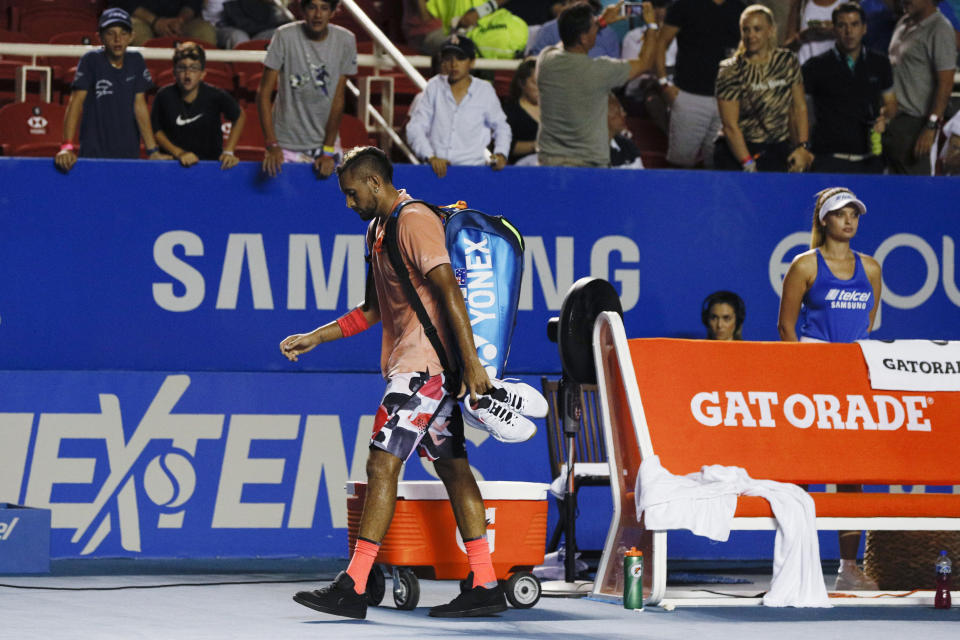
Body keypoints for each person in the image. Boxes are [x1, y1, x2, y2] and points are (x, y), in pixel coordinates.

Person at [280, 146, 539, 619]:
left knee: (381, 465)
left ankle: (354, 585)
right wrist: (316, 337)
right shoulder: (376, 233)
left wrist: (474, 365)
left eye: (351, 193)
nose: (348, 203)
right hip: (423, 371)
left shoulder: (413, 220)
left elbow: (450, 291)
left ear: (375, 184)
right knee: (455, 470)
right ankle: (483, 582)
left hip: (423, 372)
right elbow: (372, 310)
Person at [777, 186, 883, 592]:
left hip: (854, 377)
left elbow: (866, 325)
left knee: (850, 473)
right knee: (803, 473)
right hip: (811, 377)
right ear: (824, 220)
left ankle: (847, 568)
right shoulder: (805, 266)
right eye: (841, 214)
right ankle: (795, 562)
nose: (849, 220)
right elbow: (786, 327)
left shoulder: (871, 268)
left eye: (854, 213)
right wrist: (804, 373)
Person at [536, 1, 654, 167]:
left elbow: (566, 43)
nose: (597, 30)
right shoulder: (600, 71)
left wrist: (601, 22)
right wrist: (651, 24)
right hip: (589, 167)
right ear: (584, 38)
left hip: (549, 164)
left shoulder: (546, 60)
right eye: (594, 27)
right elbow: (646, 62)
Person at [55, 7, 166, 173]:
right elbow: (75, 103)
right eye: (110, 33)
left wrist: (153, 151)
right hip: (94, 154)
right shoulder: (90, 60)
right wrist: (67, 146)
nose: (117, 39)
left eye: (123, 33)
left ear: (131, 37)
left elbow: (140, 106)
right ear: (99, 37)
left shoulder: (136, 61)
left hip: (128, 154)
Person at [257, 0, 357, 179]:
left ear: (333, 12)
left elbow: (338, 99)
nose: (318, 14)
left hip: (326, 144)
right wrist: (271, 144)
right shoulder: (284, 36)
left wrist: (327, 151)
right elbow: (263, 95)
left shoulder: (346, 40)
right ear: (302, 10)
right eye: (312, 7)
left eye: (324, 8)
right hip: (285, 144)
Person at [714, 4, 814, 172]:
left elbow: (799, 107)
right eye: (746, 30)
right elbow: (730, 125)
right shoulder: (730, 69)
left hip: (777, 149)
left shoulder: (787, 61)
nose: (751, 35)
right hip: (739, 150)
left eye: (757, 29)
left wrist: (802, 147)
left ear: (770, 30)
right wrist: (747, 163)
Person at [802, 2, 896, 174]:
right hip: (828, 161)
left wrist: (885, 118)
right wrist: (803, 146)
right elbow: (800, 111)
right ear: (834, 29)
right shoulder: (815, 66)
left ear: (864, 28)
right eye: (842, 25)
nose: (849, 31)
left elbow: (891, 103)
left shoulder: (880, 63)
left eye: (854, 24)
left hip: (870, 161)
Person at [406, 34, 512, 177]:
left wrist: (501, 153)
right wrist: (430, 157)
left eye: (460, 58)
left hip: (473, 171)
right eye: (448, 59)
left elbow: (501, 127)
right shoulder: (434, 86)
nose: (454, 64)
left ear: (472, 62)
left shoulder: (484, 90)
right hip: (436, 171)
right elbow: (415, 127)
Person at [655, 0, 745, 168]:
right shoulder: (684, 5)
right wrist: (663, 83)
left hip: (728, 99)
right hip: (689, 96)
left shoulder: (740, 8)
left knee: (720, 165)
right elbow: (661, 43)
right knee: (680, 164)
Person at [883, 0, 956, 175]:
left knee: (916, 188)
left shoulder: (940, 29)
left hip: (916, 125)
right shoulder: (903, 22)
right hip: (892, 122)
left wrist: (931, 127)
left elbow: (945, 84)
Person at [151, 42, 245, 169]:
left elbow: (239, 116)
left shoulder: (215, 95)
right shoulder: (164, 95)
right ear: (174, 72)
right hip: (174, 165)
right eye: (182, 68)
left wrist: (228, 151)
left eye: (193, 68)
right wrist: (179, 153)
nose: (188, 75)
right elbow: (156, 130)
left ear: (202, 74)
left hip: (210, 166)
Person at [528, 0, 622, 57]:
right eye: (573, 1)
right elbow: (536, 67)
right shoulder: (548, 30)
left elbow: (616, 79)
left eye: (580, 2)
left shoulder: (608, 34)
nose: (576, 6)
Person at [203, 0, 294, 49]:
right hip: (219, 27)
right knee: (238, 37)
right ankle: (242, 77)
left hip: (254, 29)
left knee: (281, 33)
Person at [121, 1, 216, 45]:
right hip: (142, 18)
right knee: (136, 31)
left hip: (180, 20)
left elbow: (193, 3)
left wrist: (180, 20)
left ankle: (204, 80)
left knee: (205, 31)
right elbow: (124, 3)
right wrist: (156, 22)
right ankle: (147, 80)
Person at [502, 58, 540, 164]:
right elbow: (504, 146)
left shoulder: (554, 112)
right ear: (522, 83)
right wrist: (535, 146)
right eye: (535, 83)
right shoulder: (510, 112)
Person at [786, 0, 845, 65]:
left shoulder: (848, 3)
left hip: (838, 69)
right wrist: (801, 37)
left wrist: (836, 32)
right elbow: (787, 49)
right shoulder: (801, 3)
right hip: (805, 69)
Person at [608, 92, 646, 168]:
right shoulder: (588, 150)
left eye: (623, 110)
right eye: (619, 110)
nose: (624, 114)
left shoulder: (627, 145)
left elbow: (641, 177)